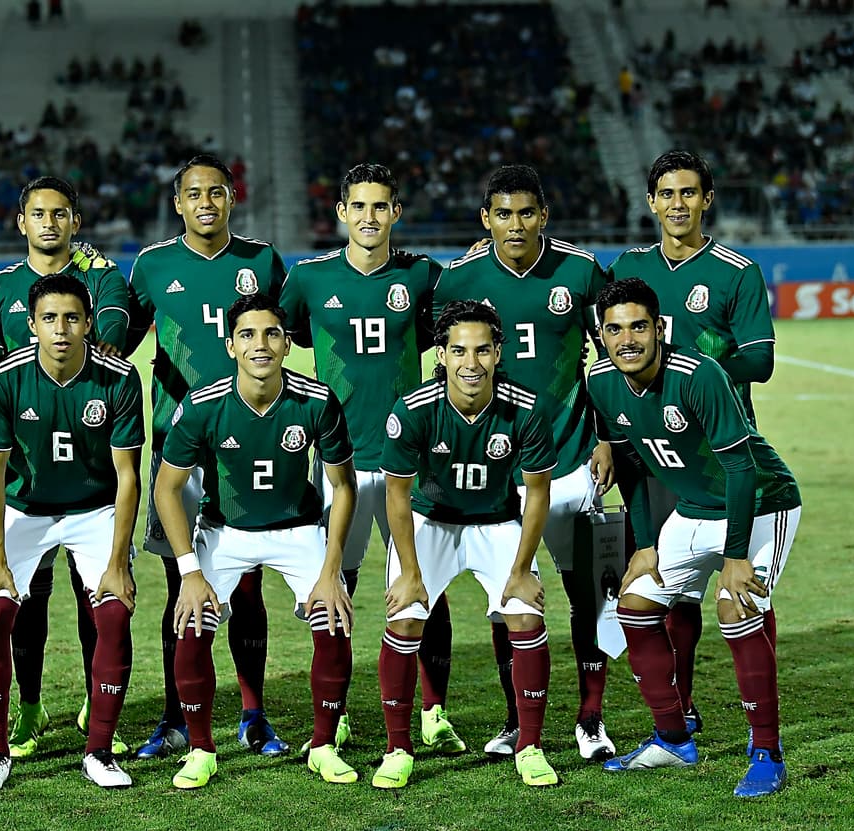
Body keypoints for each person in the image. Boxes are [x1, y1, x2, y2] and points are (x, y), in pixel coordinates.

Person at [587, 277, 800, 797]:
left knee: (737, 607)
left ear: (659, 328)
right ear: (602, 336)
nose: (627, 340)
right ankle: (673, 738)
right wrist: (644, 542)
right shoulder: (602, 382)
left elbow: (742, 470)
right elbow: (633, 467)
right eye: (614, 330)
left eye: (639, 326)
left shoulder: (699, 375)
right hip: (690, 510)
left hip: (760, 503)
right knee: (634, 605)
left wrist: (734, 557)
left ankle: (767, 751)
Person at [432, 165, 616, 762]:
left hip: (570, 458)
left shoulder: (582, 272)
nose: (515, 225)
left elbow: (615, 353)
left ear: (544, 215)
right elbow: (445, 371)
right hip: (500, 471)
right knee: (506, 598)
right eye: (503, 214)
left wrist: (608, 435)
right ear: (485, 219)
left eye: (526, 213)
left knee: (584, 593)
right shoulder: (458, 278)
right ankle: (517, 720)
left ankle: (591, 718)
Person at [280, 163, 465, 755]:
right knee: (338, 583)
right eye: (358, 206)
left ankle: (434, 710)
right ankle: (337, 711)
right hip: (338, 455)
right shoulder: (308, 279)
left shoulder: (422, 276)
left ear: (395, 213)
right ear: (341, 211)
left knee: (425, 586)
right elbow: (281, 338)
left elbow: (454, 335)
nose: (369, 217)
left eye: (380, 206)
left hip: (409, 460)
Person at [155, 293, 358, 789]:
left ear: (288, 344)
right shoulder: (202, 407)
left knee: (334, 618)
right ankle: (202, 749)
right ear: (230, 345)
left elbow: (343, 486)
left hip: (298, 530)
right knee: (190, 623)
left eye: (271, 334)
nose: (260, 344)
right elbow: (167, 488)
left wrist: (332, 571)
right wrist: (189, 572)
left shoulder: (316, 400)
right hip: (226, 533)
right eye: (247, 334)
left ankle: (324, 745)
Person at [124, 154, 288, 759]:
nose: (205, 203)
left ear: (231, 198)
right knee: (182, 585)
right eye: (194, 194)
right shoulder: (152, 266)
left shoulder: (262, 261)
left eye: (216, 193)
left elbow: (284, 335)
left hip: (251, 446)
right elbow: (116, 343)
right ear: (178, 203)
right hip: (179, 447)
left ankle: (253, 714)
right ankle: (174, 716)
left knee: (247, 584)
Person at [608, 150, 776, 740]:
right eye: (667, 194)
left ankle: (761, 725)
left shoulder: (736, 271)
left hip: (715, 446)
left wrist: (700, 366)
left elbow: (761, 358)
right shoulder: (630, 265)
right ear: (651, 201)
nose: (678, 205)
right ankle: (680, 706)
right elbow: (606, 339)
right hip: (652, 448)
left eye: (689, 194)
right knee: (664, 588)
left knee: (736, 583)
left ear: (707, 200)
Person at [0, 175, 130, 758]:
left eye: (61, 213)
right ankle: (29, 708)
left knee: (98, 603)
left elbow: (111, 346)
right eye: (39, 213)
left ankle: (94, 698)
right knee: (25, 602)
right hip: (23, 480)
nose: (50, 223)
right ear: (22, 221)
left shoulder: (104, 278)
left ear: (75, 221)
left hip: (93, 480)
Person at [374, 300, 559, 789]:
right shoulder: (413, 409)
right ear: (442, 354)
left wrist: (521, 570)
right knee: (405, 617)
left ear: (499, 352)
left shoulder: (527, 407)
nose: (470, 363)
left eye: (481, 351)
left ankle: (531, 746)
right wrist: (411, 574)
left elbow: (537, 493)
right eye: (458, 351)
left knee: (525, 614)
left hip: (497, 522)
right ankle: (398, 749)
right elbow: (396, 494)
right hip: (431, 522)